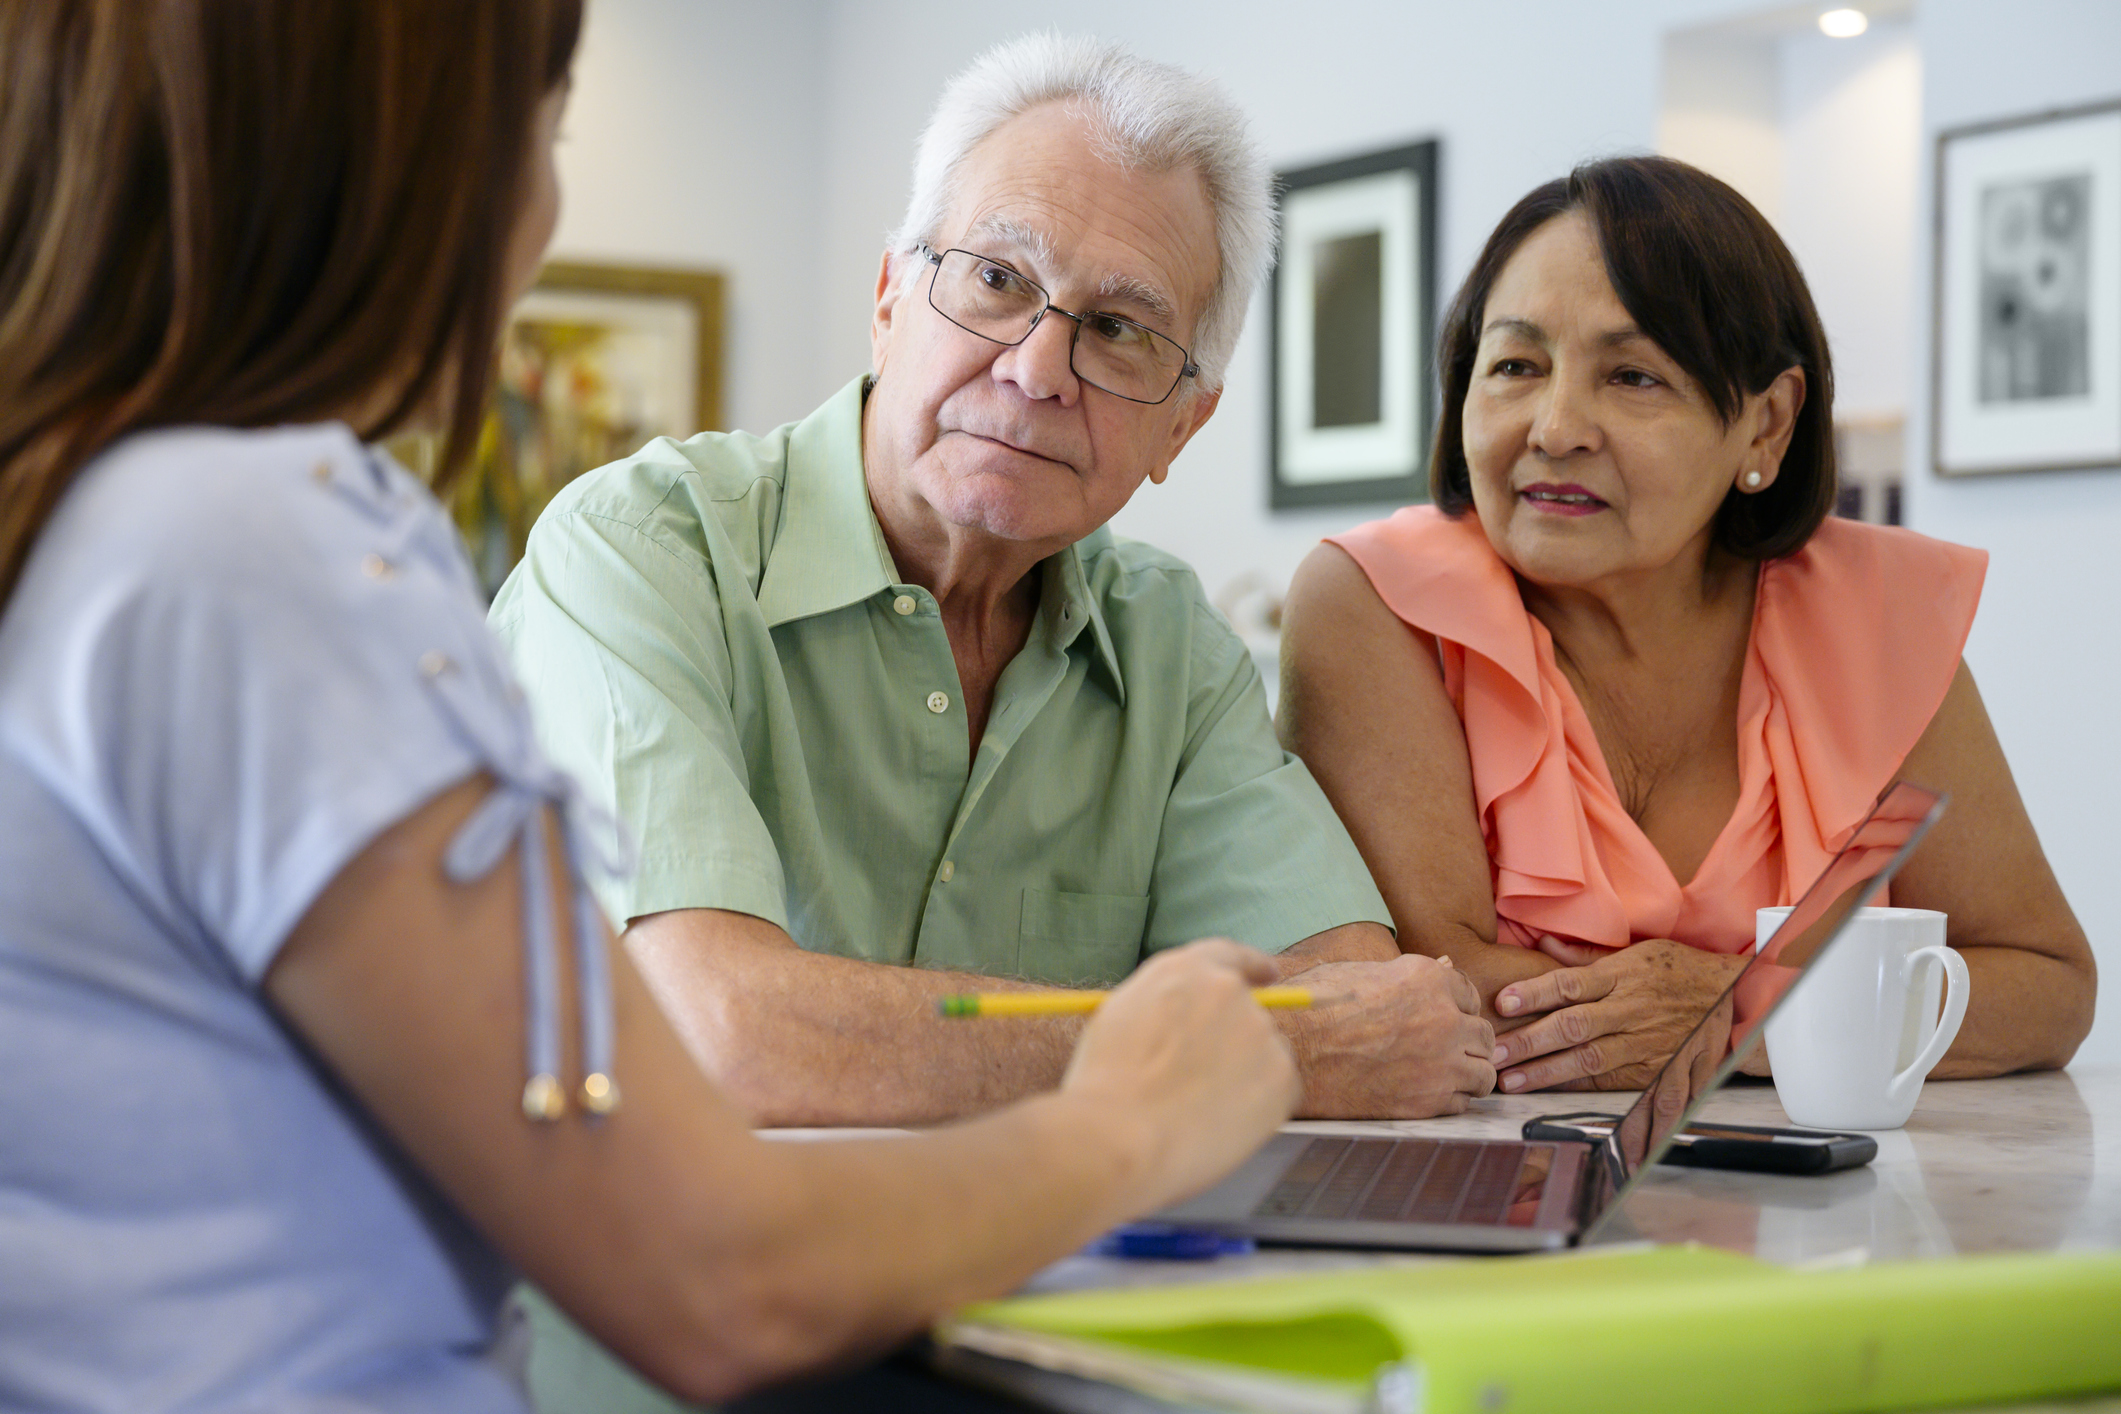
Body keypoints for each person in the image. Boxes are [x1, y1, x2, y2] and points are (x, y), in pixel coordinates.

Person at [0, 4, 1306, 1409]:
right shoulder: (244, 554)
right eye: (543, 131)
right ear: (393, 166)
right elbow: (724, 1274)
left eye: (1114, 329)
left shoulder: (135, 520)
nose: (545, 203)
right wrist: (1125, 1110)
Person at [490, 34, 1495, 1130]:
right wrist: (1258, 1050)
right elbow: (719, 1032)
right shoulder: (640, 548)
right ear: (889, 299)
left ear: (1184, 423)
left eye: (1118, 329)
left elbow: (1360, 1006)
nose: (1034, 369)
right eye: (998, 280)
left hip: (1051, 1280)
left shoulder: (1169, 643)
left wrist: (1281, 1042)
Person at [1279, 156, 2095, 1096]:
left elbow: (2044, 984)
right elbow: (1428, 991)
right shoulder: (1376, 603)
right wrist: (1800, 1016)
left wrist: (1742, 1007)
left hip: (1821, 1216)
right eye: (1514, 366)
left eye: (1631, 376)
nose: (1555, 426)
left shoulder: (1874, 617)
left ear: (1766, 426)